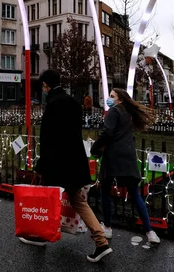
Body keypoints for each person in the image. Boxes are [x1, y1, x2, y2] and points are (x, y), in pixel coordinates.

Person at [26, 69, 112, 263]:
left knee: (47, 199)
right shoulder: (73, 102)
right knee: (79, 201)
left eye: (44, 86)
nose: (44, 89)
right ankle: (101, 241)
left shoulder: (52, 104)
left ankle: (41, 235)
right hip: (75, 161)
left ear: (47, 85)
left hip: (57, 163)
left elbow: (48, 139)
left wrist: (41, 165)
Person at [91, 88, 161, 245]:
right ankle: (150, 231)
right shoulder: (129, 113)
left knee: (105, 191)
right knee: (135, 194)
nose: (109, 99)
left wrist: (96, 148)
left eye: (112, 96)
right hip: (128, 156)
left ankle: (107, 227)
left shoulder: (114, 111)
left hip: (112, 156)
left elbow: (107, 132)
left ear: (120, 99)